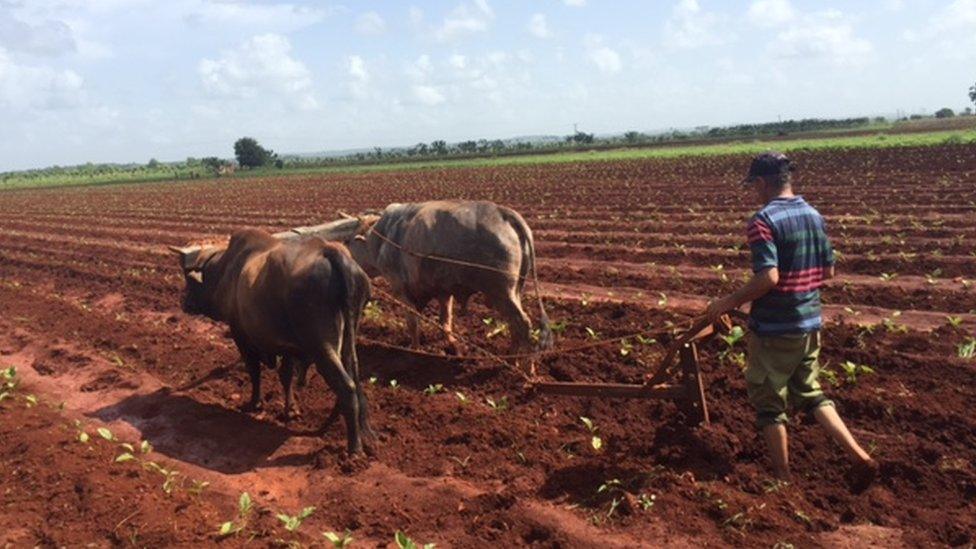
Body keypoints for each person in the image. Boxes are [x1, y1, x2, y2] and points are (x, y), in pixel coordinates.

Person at [705, 151, 878, 488]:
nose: (754, 192)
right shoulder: (813, 214)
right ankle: (859, 455)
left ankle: (782, 481)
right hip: (810, 321)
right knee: (811, 392)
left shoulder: (762, 221)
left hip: (774, 329)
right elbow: (827, 270)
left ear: (761, 182)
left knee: (768, 402)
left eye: (753, 185)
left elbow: (768, 278)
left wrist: (727, 301)